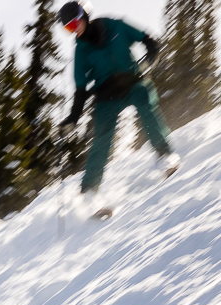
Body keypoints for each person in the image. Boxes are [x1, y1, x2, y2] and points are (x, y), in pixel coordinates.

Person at [57, 2, 180, 205]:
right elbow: (80, 89)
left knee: (145, 103)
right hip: (107, 95)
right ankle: (89, 191)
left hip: (132, 82)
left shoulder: (115, 26)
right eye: (68, 28)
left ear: (85, 15)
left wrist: (148, 62)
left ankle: (165, 154)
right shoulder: (81, 50)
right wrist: (72, 118)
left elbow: (150, 42)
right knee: (102, 135)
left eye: (75, 23)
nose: (74, 30)